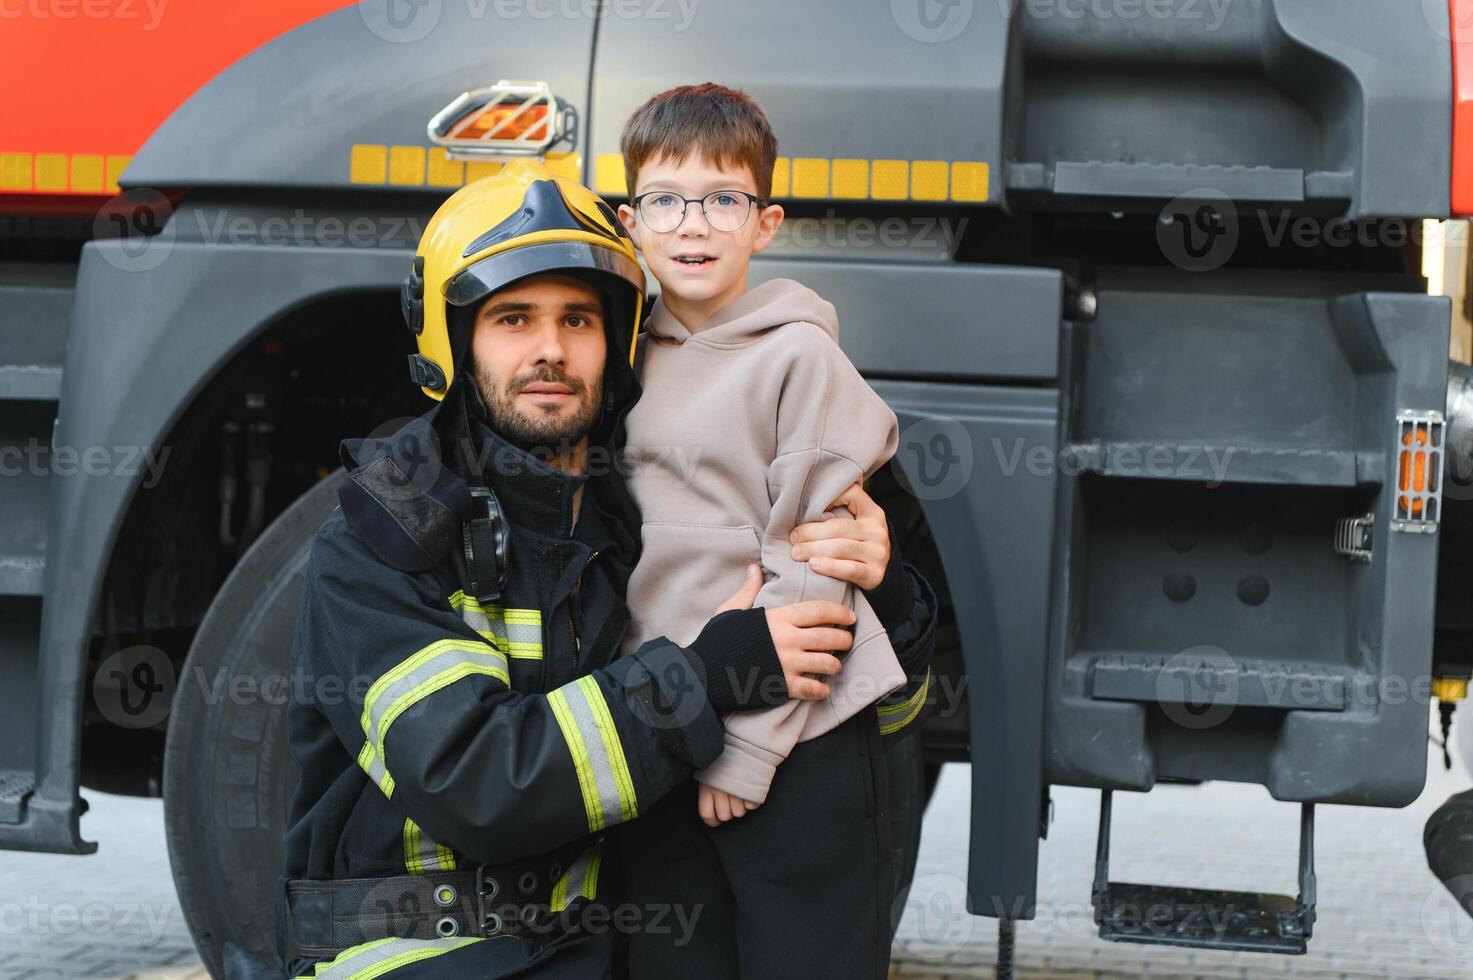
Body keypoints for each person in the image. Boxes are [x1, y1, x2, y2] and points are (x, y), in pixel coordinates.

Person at [276, 157, 934, 979]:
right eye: (512, 320)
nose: (549, 350)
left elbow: (871, 731)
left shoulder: (626, 528)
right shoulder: (379, 544)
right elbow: (475, 784)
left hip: (585, 950)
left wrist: (885, 593)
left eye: (578, 321)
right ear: (452, 339)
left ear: (618, 340)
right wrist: (706, 673)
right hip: (419, 957)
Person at [611, 83, 937, 980]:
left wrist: (744, 750)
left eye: (724, 199)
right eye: (667, 200)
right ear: (631, 220)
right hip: (669, 719)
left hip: (793, 742)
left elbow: (812, 569)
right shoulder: (623, 358)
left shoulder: (799, 357)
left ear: (765, 221)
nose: (694, 224)